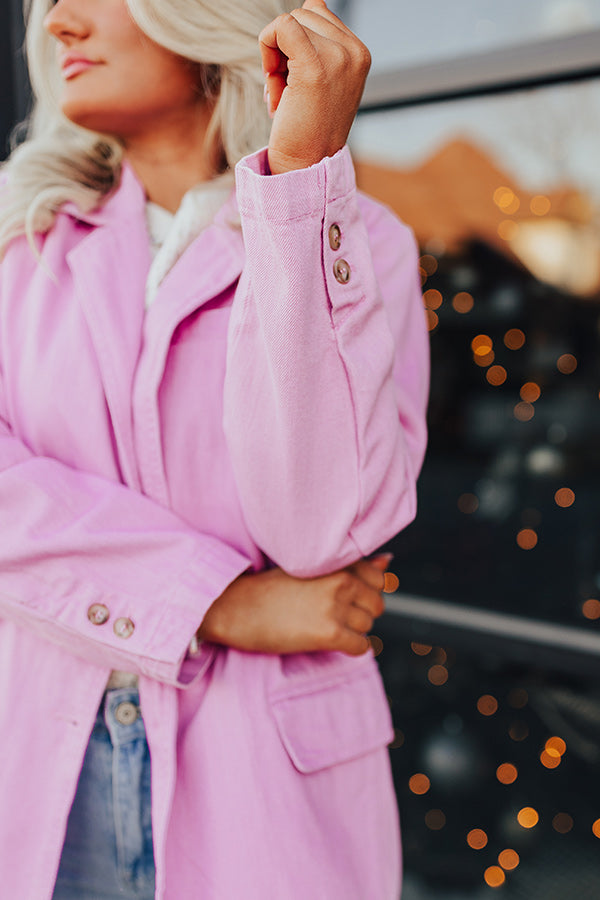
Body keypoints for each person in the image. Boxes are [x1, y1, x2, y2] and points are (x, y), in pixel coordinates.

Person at [0, 0, 429, 897]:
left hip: (268, 789)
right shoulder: (21, 251)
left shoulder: (363, 244)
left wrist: (303, 183)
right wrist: (216, 603)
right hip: (41, 754)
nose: (59, 26)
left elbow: (323, 531)